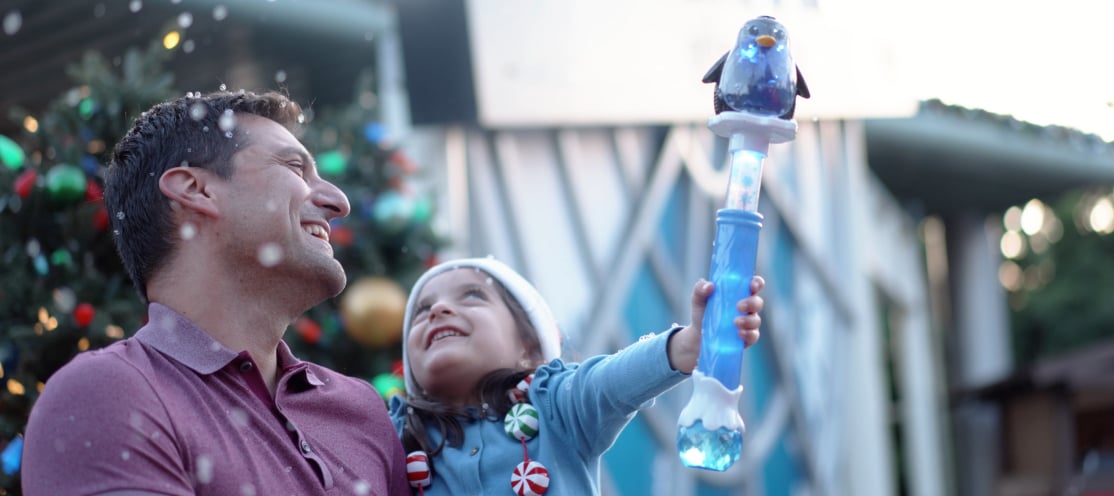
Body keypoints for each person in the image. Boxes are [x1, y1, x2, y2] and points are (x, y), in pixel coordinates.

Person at [22, 90, 412, 496]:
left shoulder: (361, 410)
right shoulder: (103, 395)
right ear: (196, 190)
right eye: (295, 168)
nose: (338, 201)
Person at [390, 257, 764, 495]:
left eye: (472, 296)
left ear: (531, 346)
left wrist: (685, 346)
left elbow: (611, 382)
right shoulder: (392, 435)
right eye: (421, 310)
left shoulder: (558, 405)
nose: (438, 309)